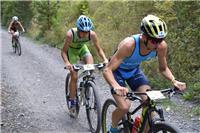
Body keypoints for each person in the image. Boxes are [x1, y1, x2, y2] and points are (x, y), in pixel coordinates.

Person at [103, 14, 186, 133]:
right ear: (144, 37)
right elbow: (107, 70)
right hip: (117, 72)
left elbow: (163, 68)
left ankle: (140, 128)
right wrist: (116, 86)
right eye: (154, 41)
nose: (157, 45)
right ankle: (113, 128)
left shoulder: (161, 47)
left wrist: (174, 80)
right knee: (124, 106)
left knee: (148, 101)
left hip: (134, 71)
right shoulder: (129, 45)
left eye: (160, 40)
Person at [61, 15, 108, 116]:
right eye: (83, 31)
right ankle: (72, 101)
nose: (85, 34)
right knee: (74, 76)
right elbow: (64, 51)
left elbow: (99, 49)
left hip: (82, 49)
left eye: (87, 32)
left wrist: (104, 59)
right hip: (71, 51)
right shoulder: (70, 34)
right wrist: (67, 63)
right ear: (78, 29)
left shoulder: (92, 34)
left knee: (90, 68)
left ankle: (87, 86)